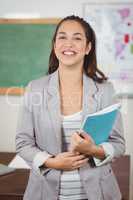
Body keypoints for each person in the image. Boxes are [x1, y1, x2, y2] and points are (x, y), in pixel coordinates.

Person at [16, 15, 125, 200]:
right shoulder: (35, 89)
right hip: (45, 192)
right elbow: (23, 143)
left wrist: (93, 150)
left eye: (77, 38)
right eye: (62, 37)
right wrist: (52, 162)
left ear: (88, 47)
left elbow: (118, 144)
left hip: (98, 193)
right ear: (54, 45)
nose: (69, 44)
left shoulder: (105, 90)